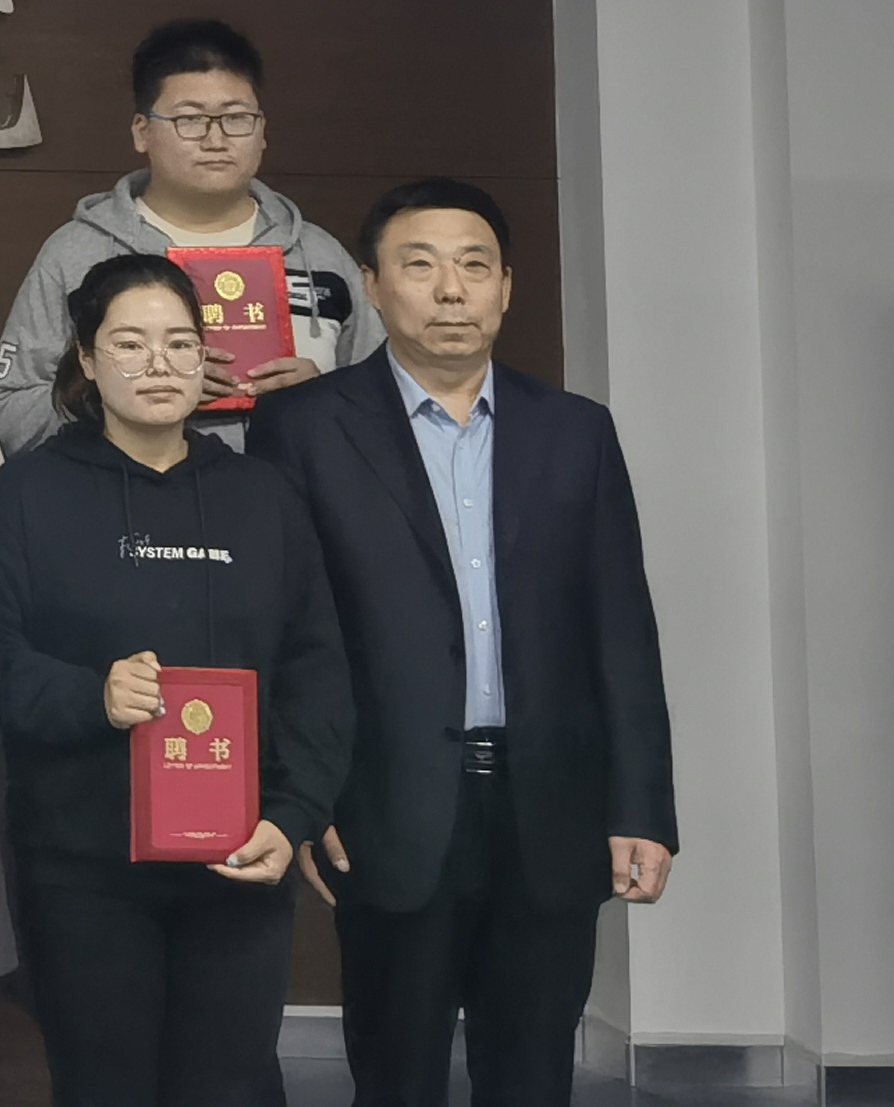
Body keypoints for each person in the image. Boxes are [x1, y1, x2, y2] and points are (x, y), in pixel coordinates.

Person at [246, 179, 676, 1107]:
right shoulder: (303, 428)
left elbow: (620, 628)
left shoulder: (575, 432)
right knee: (394, 1075)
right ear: (371, 285)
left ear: (505, 287)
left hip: (550, 806)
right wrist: (298, 792)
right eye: (420, 265)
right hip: (383, 804)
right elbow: (286, 629)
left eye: (474, 266)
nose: (450, 290)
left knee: (532, 1076)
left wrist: (640, 805)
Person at [0, 255, 353, 1107]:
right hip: (82, 868)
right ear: (84, 356)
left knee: (230, 1085)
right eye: (129, 343)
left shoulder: (262, 497)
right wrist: (91, 697)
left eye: (180, 343)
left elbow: (315, 669)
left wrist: (290, 813)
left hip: (239, 858)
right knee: (102, 1085)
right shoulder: (24, 496)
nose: (158, 364)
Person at [0, 20, 377, 461]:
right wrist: (130, 397)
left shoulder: (320, 256)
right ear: (142, 132)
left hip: (299, 498)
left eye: (236, 118)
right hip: (132, 497)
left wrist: (324, 397)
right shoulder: (79, 255)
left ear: (262, 130)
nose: (216, 139)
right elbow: (11, 416)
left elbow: (390, 406)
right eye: (190, 119)